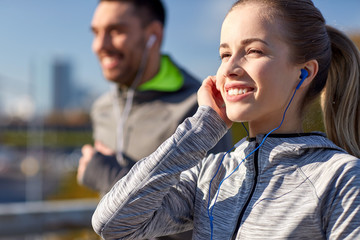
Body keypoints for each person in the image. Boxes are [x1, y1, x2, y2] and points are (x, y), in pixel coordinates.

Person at [91, 0, 360, 239]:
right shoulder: (210, 175)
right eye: (225, 54)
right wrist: (203, 128)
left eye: (254, 51)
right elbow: (113, 225)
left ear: (304, 72)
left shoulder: (341, 178)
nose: (229, 69)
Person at [77, 0, 232, 239]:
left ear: (153, 35)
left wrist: (108, 175)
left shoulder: (200, 108)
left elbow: (212, 217)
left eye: (116, 31)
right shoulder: (102, 107)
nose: (99, 45)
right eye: (96, 33)